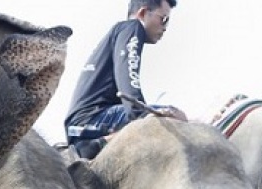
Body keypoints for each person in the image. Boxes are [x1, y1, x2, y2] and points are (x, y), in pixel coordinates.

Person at [63, 0, 185, 158]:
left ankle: (101, 143)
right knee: (176, 115)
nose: (165, 28)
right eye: (163, 19)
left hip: (83, 122)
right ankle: (90, 147)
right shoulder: (132, 27)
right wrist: (142, 114)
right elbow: (128, 76)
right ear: (142, 13)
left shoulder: (120, 32)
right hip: (91, 119)